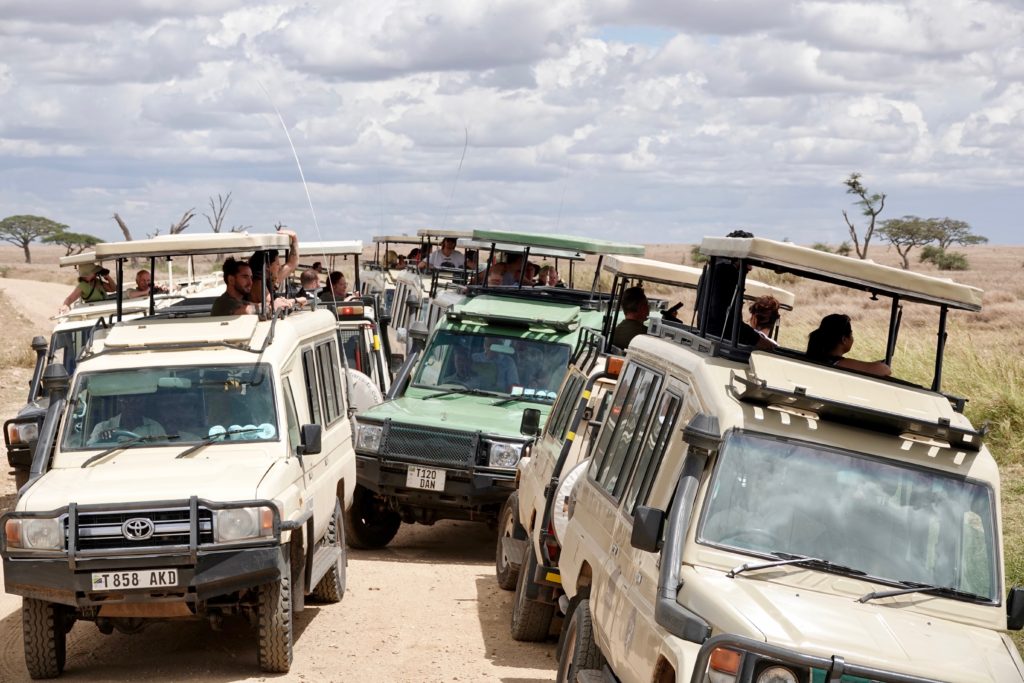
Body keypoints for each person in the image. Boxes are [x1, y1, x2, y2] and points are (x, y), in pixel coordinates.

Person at [806, 313, 892, 377]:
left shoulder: (817, 358)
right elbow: (883, 370)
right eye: (851, 334)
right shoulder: (836, 363)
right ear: (844, 339)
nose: (852, 338)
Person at [248, 228, 300, 311]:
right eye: (277, 264)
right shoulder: (258, 283)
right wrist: (294, 300)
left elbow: (292, 264)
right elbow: (273, 306)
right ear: (268, 266)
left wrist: (294, 239)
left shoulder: (270, 277)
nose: (279, 267)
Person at [89, 394, 166, 443]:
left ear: (143, 404)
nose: (131, 406)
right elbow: (88, 450)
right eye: (126, 401)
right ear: (120, 404)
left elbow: (164, 452)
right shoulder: (103, 427)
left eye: (136, 402)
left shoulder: (155, 428)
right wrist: (101, 439)